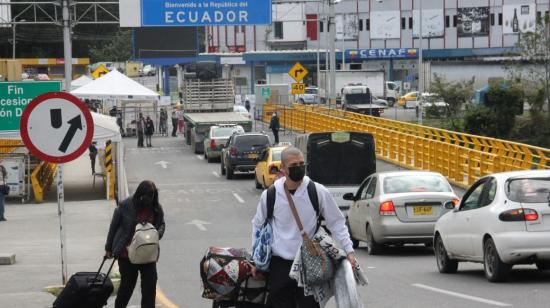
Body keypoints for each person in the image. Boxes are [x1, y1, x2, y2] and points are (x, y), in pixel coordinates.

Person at [251, 147, 357, 308]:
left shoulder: (317, 191)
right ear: (283, 169)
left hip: (310, 262)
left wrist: (349, 251)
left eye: (302, 163)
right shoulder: (271, 195)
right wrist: (256, 260)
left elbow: (336, 222)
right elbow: (258, 225)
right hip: (280, 264)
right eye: (294, 165)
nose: (299, 167)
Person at [105, 180, 166, 308]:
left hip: (147, 255)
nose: (148, 201)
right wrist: (109, 248)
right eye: (146, 197)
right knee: (127, 287)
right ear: (139, 194)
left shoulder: (155, 208)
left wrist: (157, 234)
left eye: (151, 197)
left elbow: (161, 225)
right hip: (126, 255)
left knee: (149, 288)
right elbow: (114, 226)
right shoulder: (125, 205)